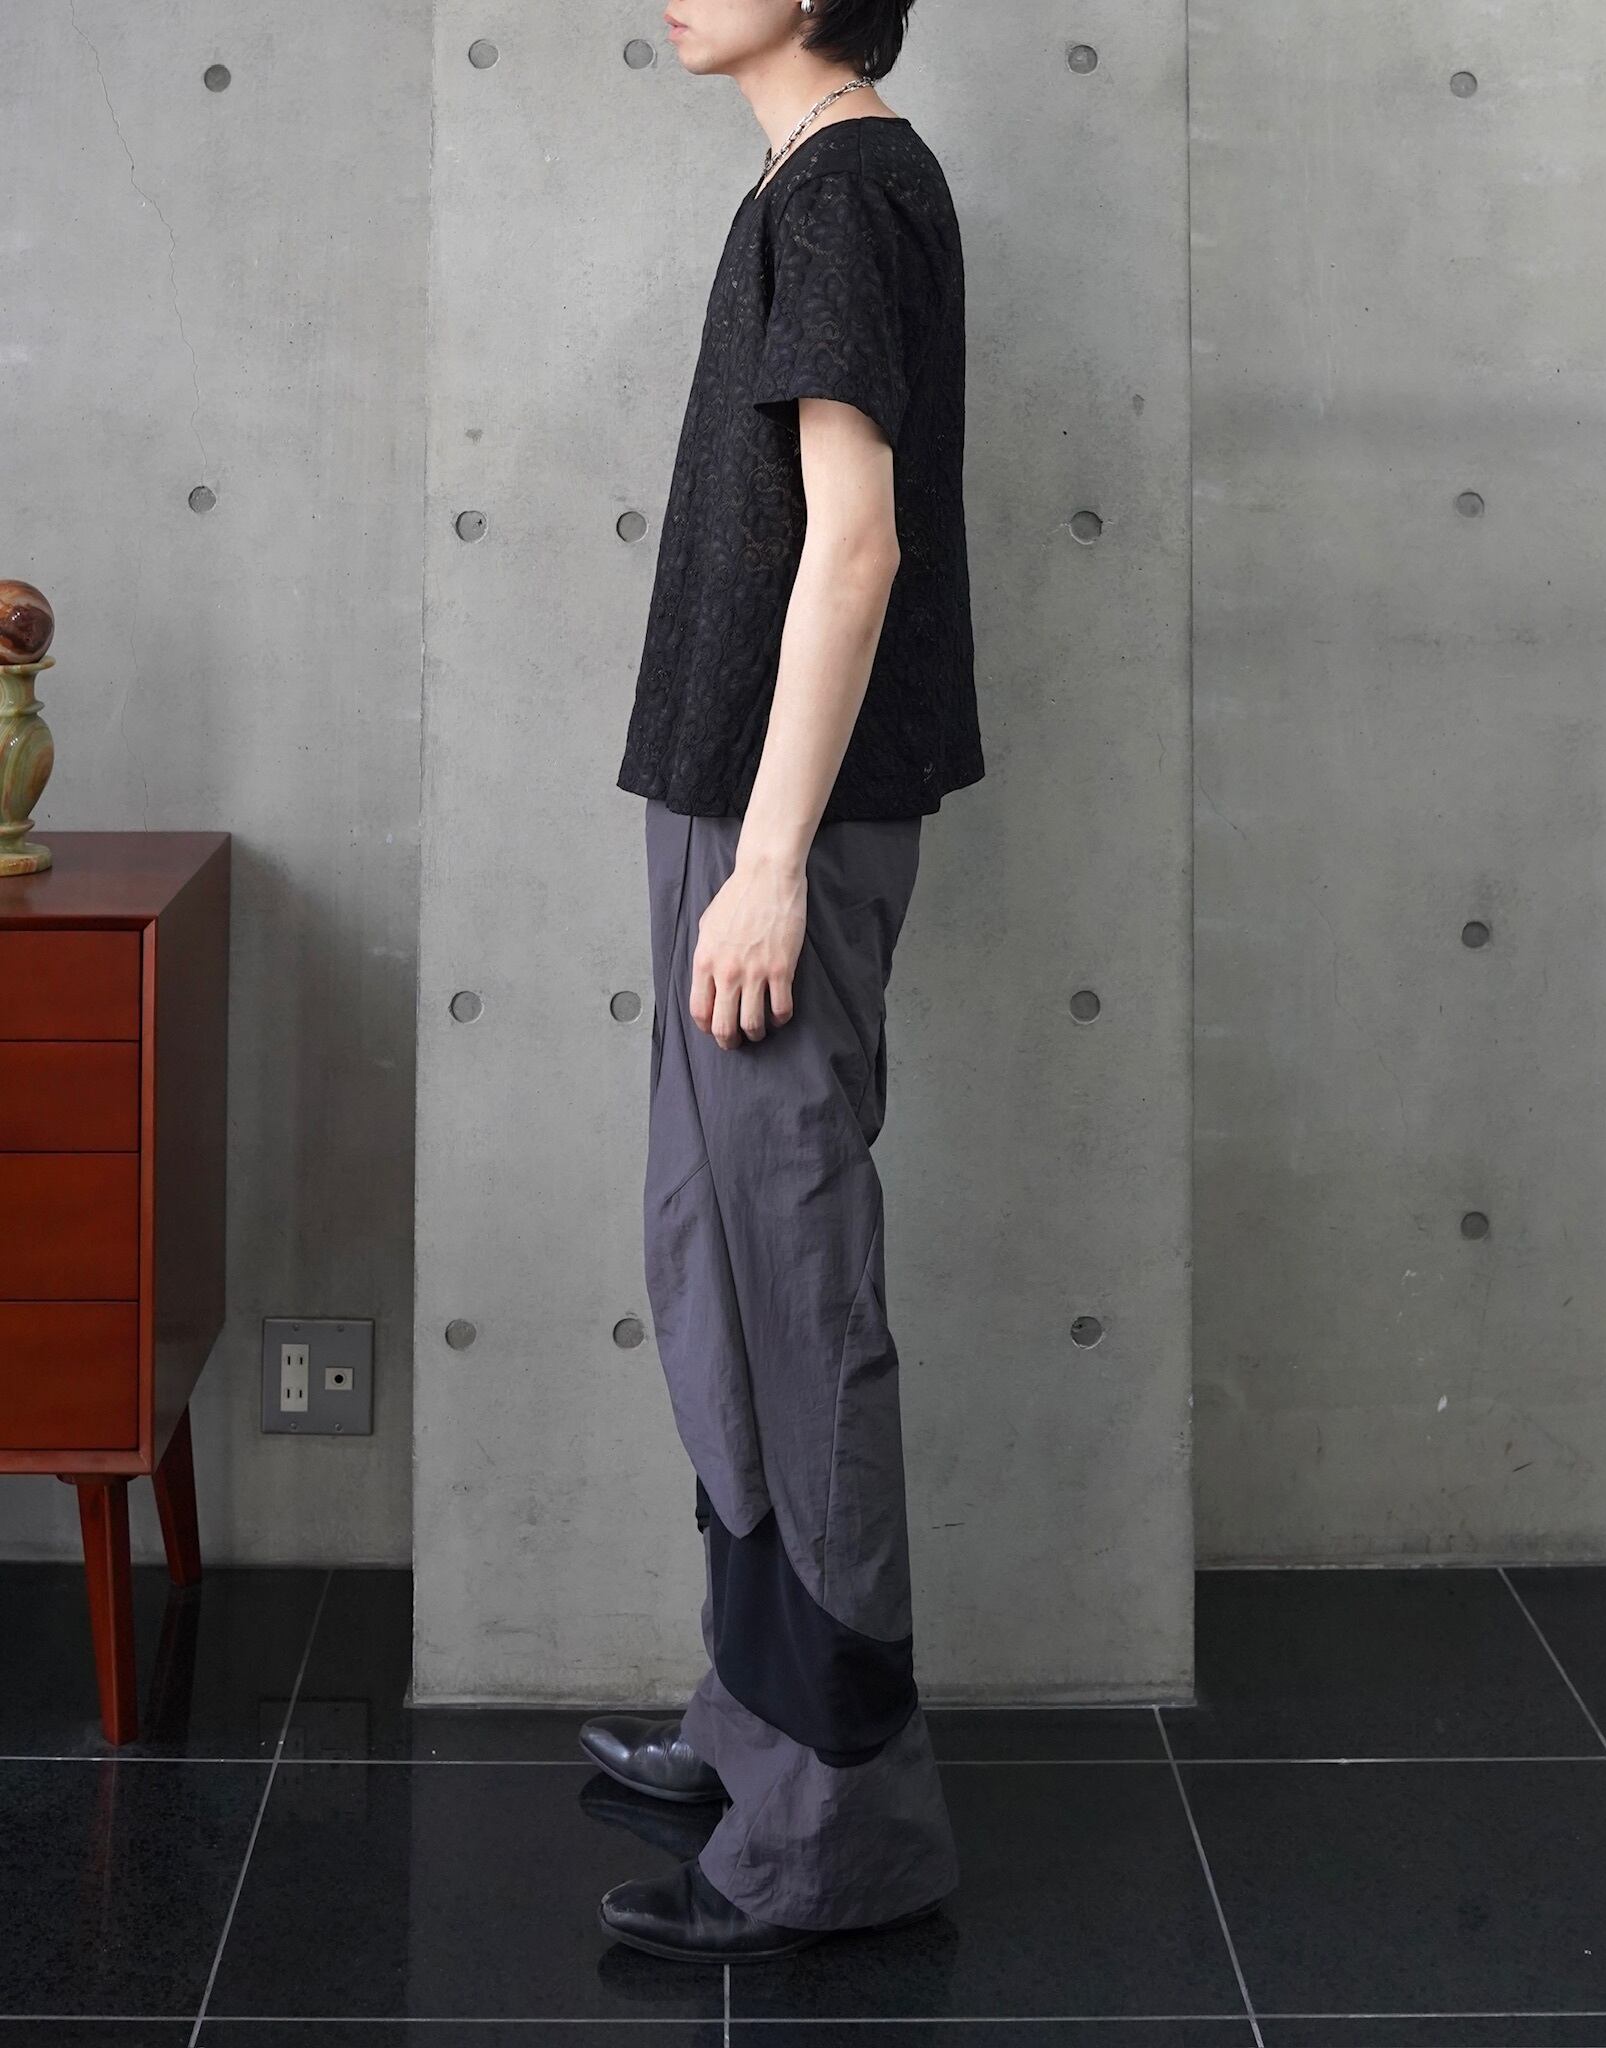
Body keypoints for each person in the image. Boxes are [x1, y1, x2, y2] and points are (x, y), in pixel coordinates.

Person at [586, 0, 985, 1963]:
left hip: (781, 841)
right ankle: (758, 1720)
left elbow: (856, 548)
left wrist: (761, 863)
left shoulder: (843, 192)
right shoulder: (805, 179)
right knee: (721, 1282)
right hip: (737, 814)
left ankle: (841, 1830)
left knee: (796, 1303)